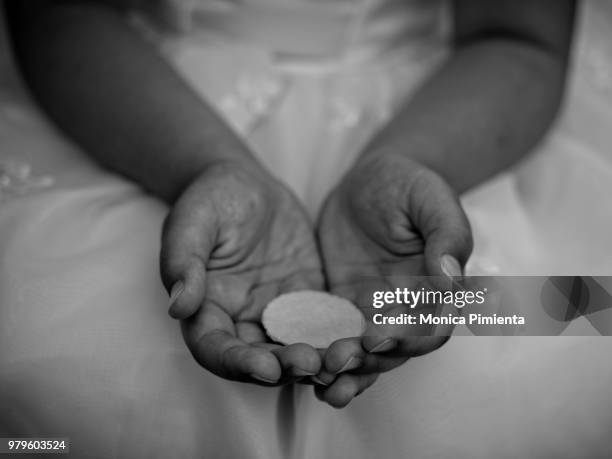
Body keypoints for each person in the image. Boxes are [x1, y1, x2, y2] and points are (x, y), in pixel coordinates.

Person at [1, 0, 611, 457]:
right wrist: (206, 167)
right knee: (54, 372)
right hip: (143, 108)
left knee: (583, 327)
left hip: (455, 112)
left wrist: (419, 161)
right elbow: (56, 15)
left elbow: (520, 38)